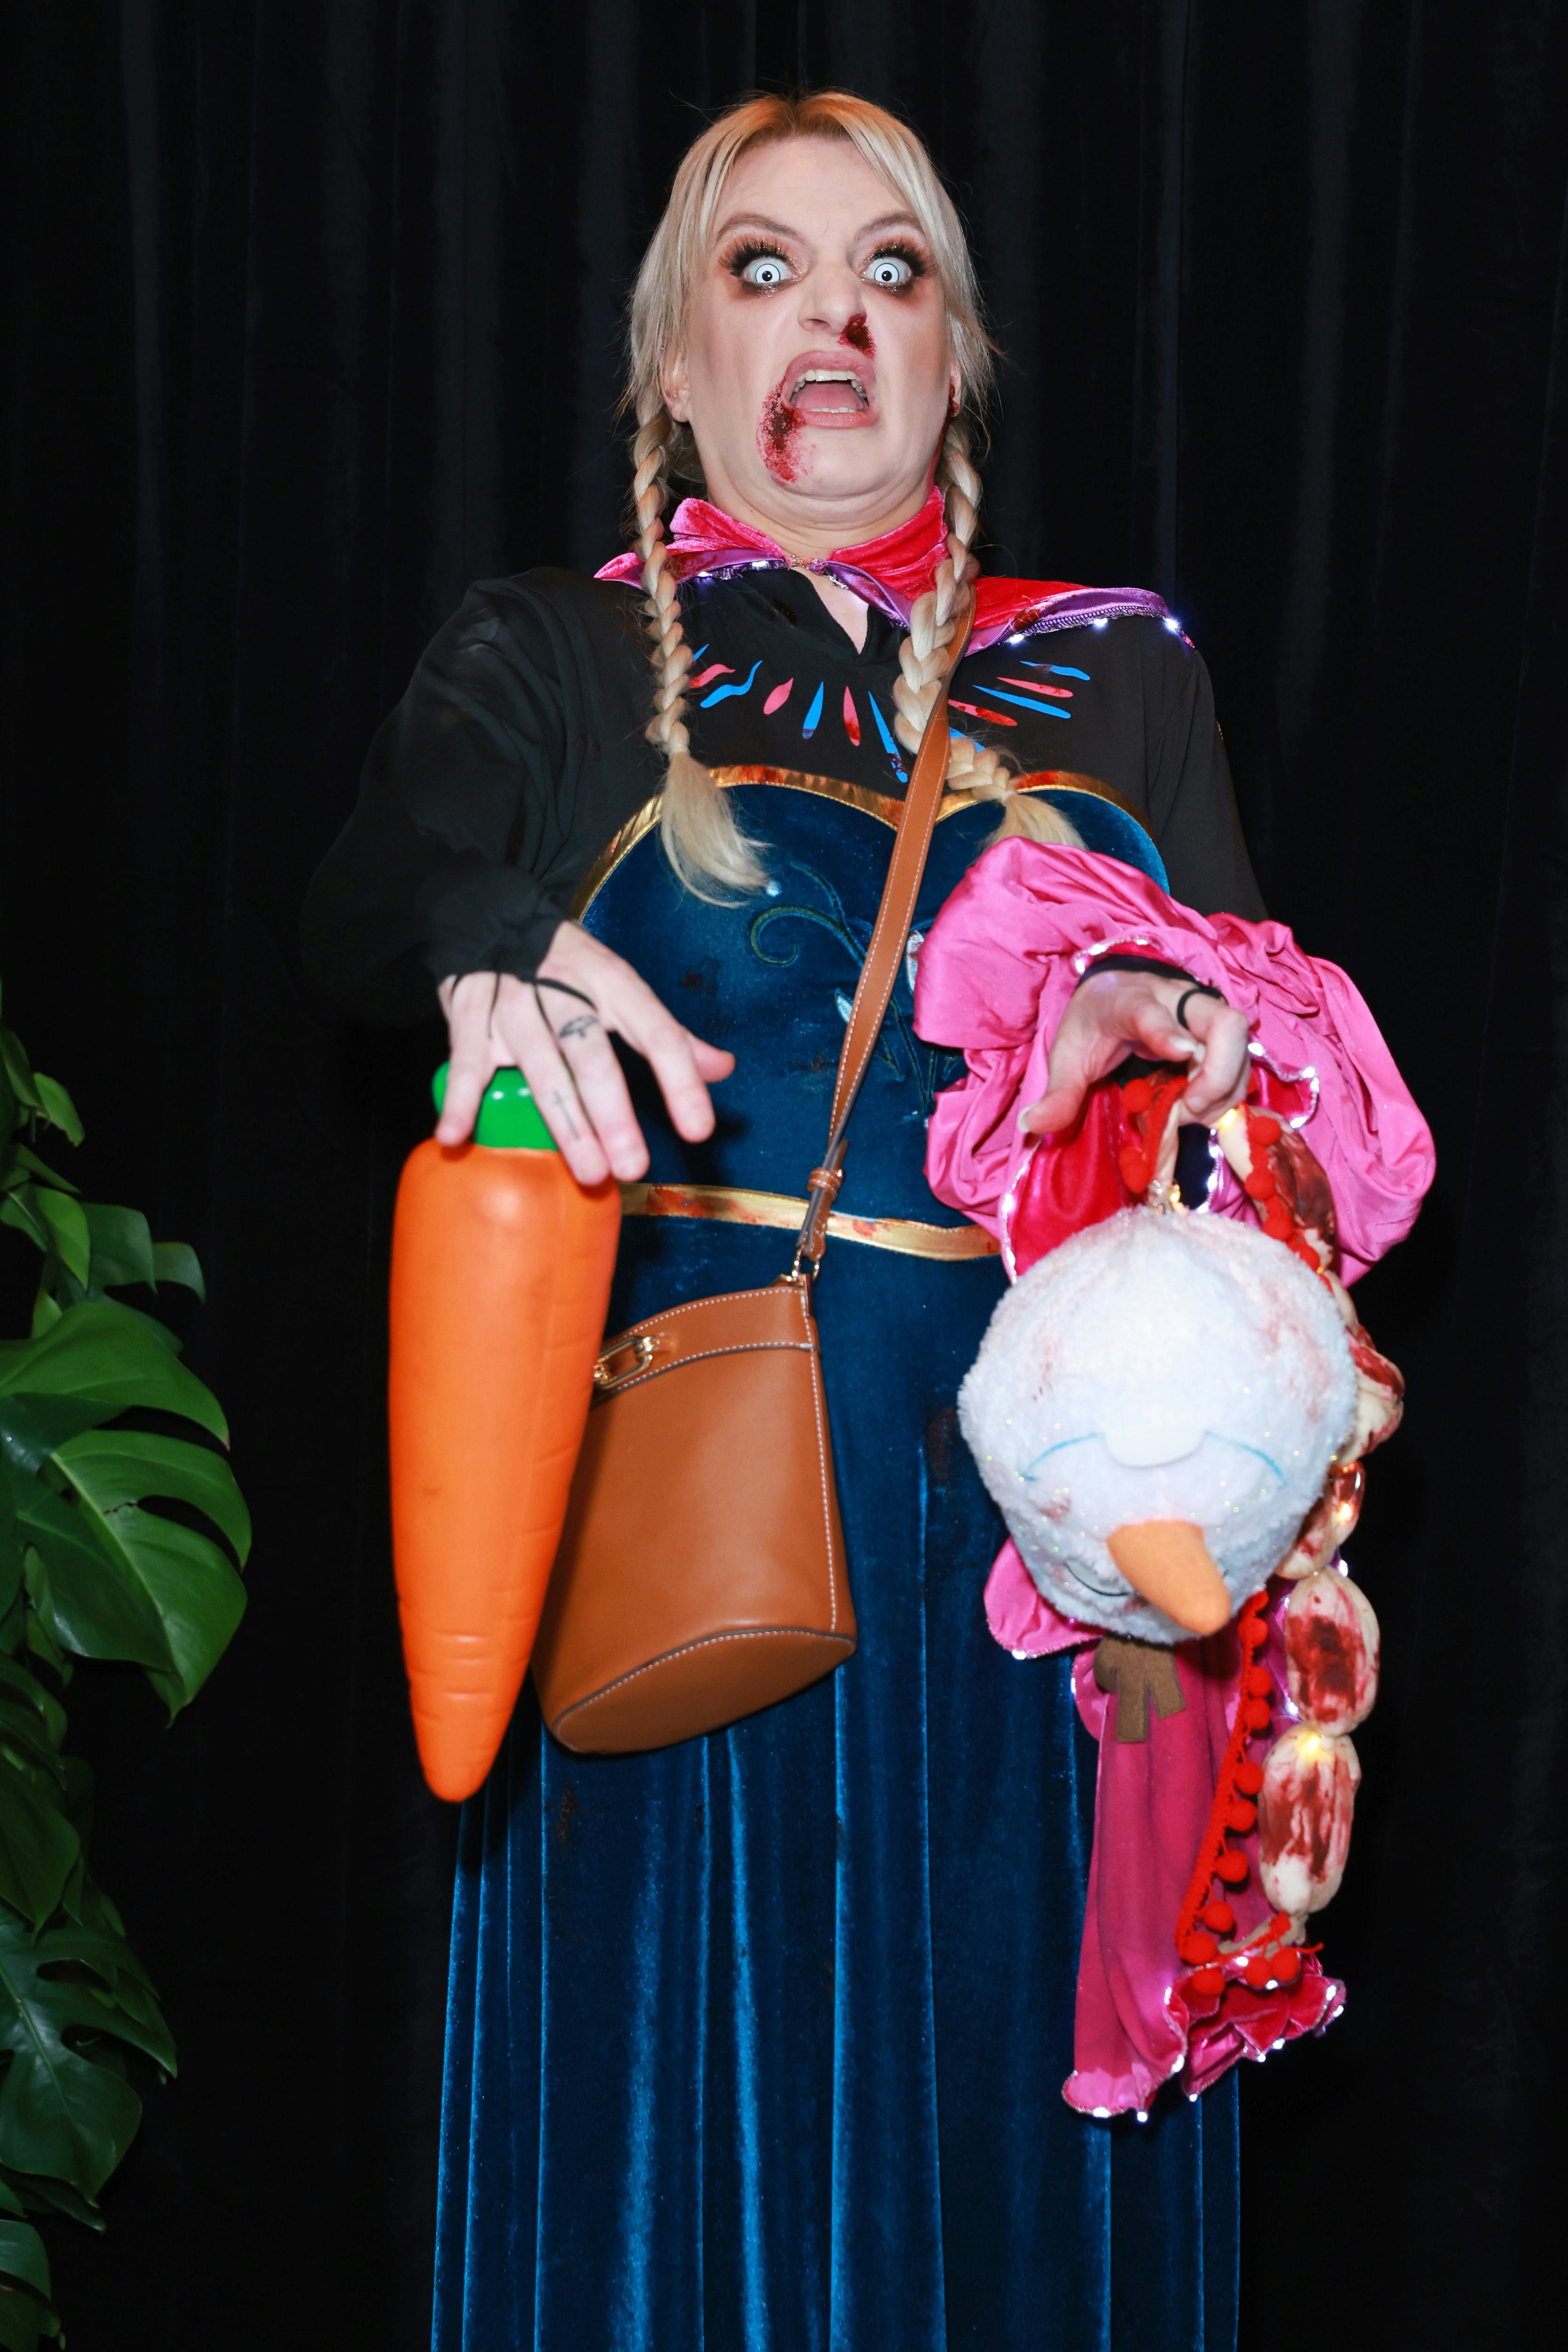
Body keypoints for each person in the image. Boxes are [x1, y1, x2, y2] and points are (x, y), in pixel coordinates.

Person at [305, 90, 1278, 2352]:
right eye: (763, 270)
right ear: (679, 366)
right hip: (699, 1554)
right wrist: (490, 945)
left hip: (1063, 1587)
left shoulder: (1125, 668)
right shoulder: (559, 651)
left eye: (890, 272)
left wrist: (1182, 1020)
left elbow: (1276, 1098)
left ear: (955, 361)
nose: (832, 315)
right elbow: (360, 895)